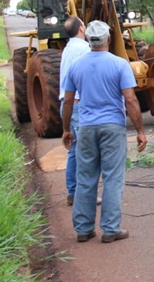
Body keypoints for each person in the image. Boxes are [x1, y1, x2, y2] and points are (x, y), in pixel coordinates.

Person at [61, 20, 148, 244]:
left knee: (85, 178)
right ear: (108, 39)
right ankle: (110, 229)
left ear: (88, 39)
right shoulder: (120, 65)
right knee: (113, 178)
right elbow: (130, 99)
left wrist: (66, 130)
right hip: (112, 128)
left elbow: (69, 102)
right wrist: (140, 130)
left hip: (86, 128)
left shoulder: (76, 66)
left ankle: (83, 229)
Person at [59, 16, 90, 206]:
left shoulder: (68, 49)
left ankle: (73, 192)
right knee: (85, 151)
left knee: (74, 149)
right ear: (81, 29)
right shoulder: (84, 49)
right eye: (84, 25)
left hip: (68, 104)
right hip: (77, 103)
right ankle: (83, 195)